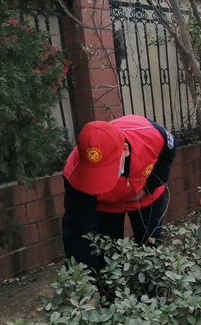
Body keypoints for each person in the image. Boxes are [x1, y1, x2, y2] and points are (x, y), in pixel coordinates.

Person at [62, 114, 177, 271]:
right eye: (96, 173)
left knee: (151, 251)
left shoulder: (150, 134)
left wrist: (148, 187)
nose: (104, 177)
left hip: (146, 200)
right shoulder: (75, 174)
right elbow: (79, 231)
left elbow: (169, 151)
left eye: (108, 168)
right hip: (107, 208)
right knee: (109, 256)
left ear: (125, 150)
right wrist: (84, 280)